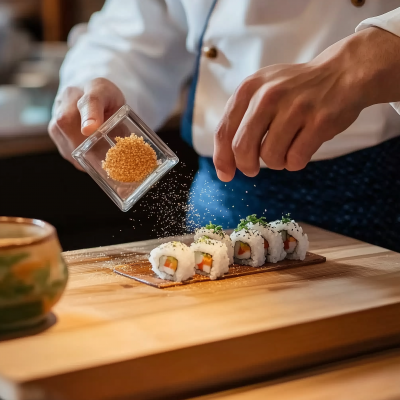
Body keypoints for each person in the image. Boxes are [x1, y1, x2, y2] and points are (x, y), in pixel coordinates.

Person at [49, 1, 400, 251]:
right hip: (221, 200)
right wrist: (94, 80)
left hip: (371, 199)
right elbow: (138, 21)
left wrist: (367, 57)